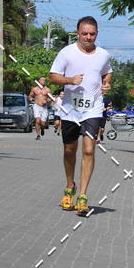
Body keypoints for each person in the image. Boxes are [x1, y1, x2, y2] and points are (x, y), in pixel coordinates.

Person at [49, 16, 113, 215]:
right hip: (70, 110)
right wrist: (70, 80)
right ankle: (70, 187)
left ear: (97, 34)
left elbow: (107, 72)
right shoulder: (66, 53)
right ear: (77, 33)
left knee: (88, 150)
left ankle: (83, 195)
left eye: (92, 34)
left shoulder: (103, 54)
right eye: (84, 34)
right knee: (70, 150)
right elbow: (53, 77)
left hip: (93, 109)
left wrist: (107, 84)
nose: (88, 37)